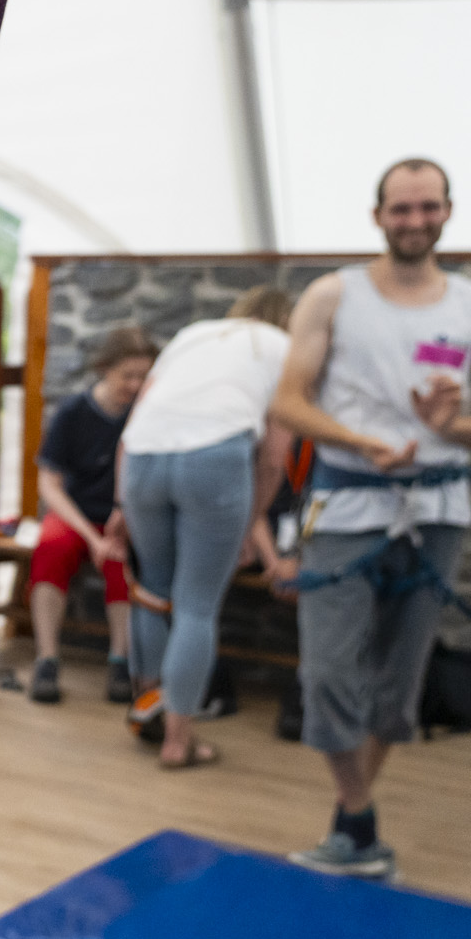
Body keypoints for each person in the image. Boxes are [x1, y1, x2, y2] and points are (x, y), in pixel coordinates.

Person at [270, 158, 471, 879]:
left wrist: (456, 423)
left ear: (447, 211)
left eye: (428, 207)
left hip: (436, 508)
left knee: (396, 681)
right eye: (401, 209)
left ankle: (352, 824)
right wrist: (360, 441)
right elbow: (289, 402)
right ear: (377, 215)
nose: (415, 221)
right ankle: (357, 809)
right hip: (346, 502)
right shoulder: (332, 295)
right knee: (326, 674)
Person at [114, 287, 296, 768]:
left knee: (152, 591)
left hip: (144, 456)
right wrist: (247, 523)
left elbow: (134, 423)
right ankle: (179, 741)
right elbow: (275, 458)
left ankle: (147, 711)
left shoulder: (193, 335)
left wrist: (121, 503)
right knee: (196, 605)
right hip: (215, 457)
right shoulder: (285, 350)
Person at [27, 326, 156, 704]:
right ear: (104, 369)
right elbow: (49, 484)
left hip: (124, 516)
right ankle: (47, 659)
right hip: (76, 515)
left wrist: (120, 523)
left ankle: (120, 661)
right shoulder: (73, 413)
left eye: (142, 376)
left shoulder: (147, 414)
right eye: (126, 376)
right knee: (50, 549)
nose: (134, 385)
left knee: (123, 562)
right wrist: (90, 535)